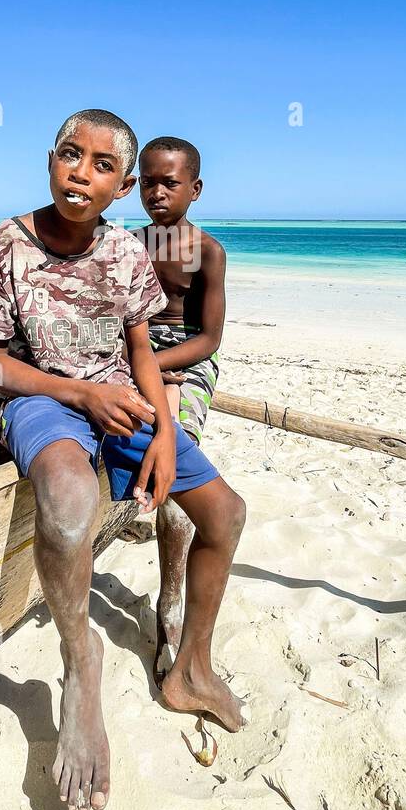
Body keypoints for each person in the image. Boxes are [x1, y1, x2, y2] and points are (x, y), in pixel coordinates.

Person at [0, 108, 247, 810]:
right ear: (49, 159)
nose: (80, 172)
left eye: (100, 165)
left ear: (119, 187)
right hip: (45, 398)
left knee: (223, 514)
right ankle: (78, 664)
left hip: (123, 396)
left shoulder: (126, 251)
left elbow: (138, 350)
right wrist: (76, 392)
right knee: (67, 497)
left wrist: (158, 433)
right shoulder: (8, 242)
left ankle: (188, 667)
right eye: (70, 154)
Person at [132, 137, 226, 685]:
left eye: (170, 182)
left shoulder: (207, 251)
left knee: (176, 474)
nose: (157, 192)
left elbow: (209, 338)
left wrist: (160, 366)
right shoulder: (123, 244)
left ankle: (170, 607)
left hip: (185, 358)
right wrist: (139, 364)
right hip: (135, 352)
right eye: (147, 181)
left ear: (195, 188)